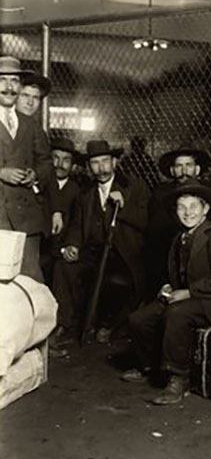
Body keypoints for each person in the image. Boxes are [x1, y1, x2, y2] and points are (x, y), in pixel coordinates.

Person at [126, 181, 211, 405]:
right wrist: (168, 286)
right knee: (138, 319)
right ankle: (150, 366)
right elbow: (180, 272)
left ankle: (179, 377)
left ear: (205, 209)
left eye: (193, 206)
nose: (187, 212)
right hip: (188, 296)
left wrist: (188, 292)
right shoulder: (179, 238)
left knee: (176, 314)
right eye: (181, 207)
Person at [51, 140, 150, 347]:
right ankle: (65, 324)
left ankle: (109, 324)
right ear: (89, 167)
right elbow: (77, 226)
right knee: (63, 267)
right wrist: (73, 245)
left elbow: (146, 221)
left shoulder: (134, 186)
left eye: (105, 161)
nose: (101, 168)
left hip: (124, 253)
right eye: (95, 163)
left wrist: (122, 208)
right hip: (93, 252)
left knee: (114, 279)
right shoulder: (85, 193)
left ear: (114, 162)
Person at [144, 146, 211, 300]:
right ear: (172, 171)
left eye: (189, 165)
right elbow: (156, 228)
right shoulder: (161, 193)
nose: (184, 170)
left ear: (197, 169)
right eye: (179, 166)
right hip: (170, 248)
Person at [0, 56, 55, 282]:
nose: (9, 87)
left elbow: (46, 162)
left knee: (30, 284)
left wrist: (35, 175)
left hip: (26, 220)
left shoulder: (29, 123)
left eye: (14, 81)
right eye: (2, 80)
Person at [41, 137, 82, 286]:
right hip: (41, 248)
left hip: (61, 250)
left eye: (66, 160)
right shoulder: (40, 186)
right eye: (55, 158)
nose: (59, 164)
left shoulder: (78, 191)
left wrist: (67, 248)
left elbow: (77, 225)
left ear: (73, 165)